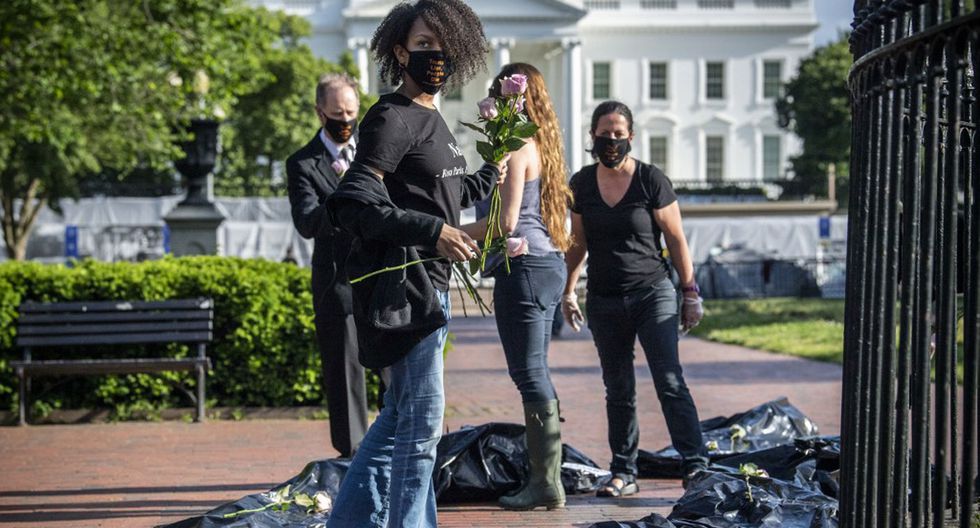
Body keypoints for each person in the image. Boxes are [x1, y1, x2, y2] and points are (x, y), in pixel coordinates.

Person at [324, 1, 506, 526]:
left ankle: (350, 521)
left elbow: (448, 194)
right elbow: (356, 200)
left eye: (443, 44)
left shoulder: (432, 119)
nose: (435, 54)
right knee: (422, 427)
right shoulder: (392, 116)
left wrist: (495, 159)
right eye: (423, 45)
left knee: (399, 418)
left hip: (430, 285)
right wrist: (435, 232)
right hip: (407, 291)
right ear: (400, 52)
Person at [562, 101, 709, 497]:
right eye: (604, 133)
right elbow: (578, 242)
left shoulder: (650, 179)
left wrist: (690, 292)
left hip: (653, 293)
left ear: (631, 136)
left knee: (669, 380)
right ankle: (623, 472)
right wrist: (568, 289)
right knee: (619, 388)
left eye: (619, 133)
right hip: (606, 299)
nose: (612, 140)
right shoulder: (581, 184)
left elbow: (676, 239)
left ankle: (695, 465)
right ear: (592, 136)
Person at [460, 63, 572, 511]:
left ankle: (546, 483)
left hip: (522, 267)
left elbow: (504, 224)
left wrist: (445, 230)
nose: (493, 105)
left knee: (529, 374)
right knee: (537, 371)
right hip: (549, 264)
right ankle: (544, 476)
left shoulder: (516, 147)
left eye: (499, 96)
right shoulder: (544, 146)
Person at [286, 73, 368, 459]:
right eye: (337, 112)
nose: (346, 119)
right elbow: (307, 222)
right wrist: (346, 199)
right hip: (338, 282)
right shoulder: (302, 163)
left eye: (351, 111)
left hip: (380, 278)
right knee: (345, 373)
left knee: (393, 373)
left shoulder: (372, 153)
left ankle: (394, 452)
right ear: (321, 112)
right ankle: (351, 456)